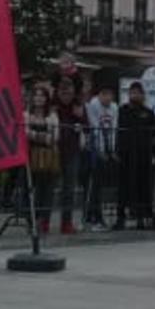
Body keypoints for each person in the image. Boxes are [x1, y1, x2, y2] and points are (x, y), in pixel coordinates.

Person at [115, 81, 155, 230]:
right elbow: (119, 130)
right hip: (126, 154)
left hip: (143, 155)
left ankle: (142, 218)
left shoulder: (148, 112)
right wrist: (118, 149)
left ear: (143, 95)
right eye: (132, 92)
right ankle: (120, 218)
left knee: (143, 186)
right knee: (123, 186)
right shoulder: (123, 111)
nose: (135, 95)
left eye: (138, 93)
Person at [22, 86, 60, 234]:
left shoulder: (52, 116)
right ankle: (31, 220)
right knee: (30, 188)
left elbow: (55, 136)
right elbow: (24, 132)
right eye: (36, 95)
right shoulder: (26, 115)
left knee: (46, 190)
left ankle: (43, 221)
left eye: (42, 95)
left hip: (47, 156)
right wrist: (40, 136)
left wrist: (34, 135)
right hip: (30, 155)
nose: (39, 98)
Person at [51, 77, 86, 234]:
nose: (66, 94)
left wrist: (80, 119)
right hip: (54, 150)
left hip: (72, 150)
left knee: (69, 188)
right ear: (58, 92)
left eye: (69, 91)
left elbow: (87, 126)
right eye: (63, 91)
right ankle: (43, 220)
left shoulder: (78, 106)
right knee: (49, 186)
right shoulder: (53, 106)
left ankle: (67, 222)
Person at [83, 84, 119, 231]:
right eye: (104, 94)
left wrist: (112, 149)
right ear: (99, 95)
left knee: (101, 183)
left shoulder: (114, 107)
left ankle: (96, 216)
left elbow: (114, 128)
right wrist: (101, 150)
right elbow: (95, 127)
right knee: (93, 184)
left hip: (107, 147)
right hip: (93, 148)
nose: (107, 98)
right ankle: (92, 216)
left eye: (110, 94)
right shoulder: (93, 105)